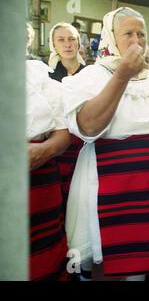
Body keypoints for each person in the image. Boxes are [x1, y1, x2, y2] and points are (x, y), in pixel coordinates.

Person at [62, 7, 149, 281]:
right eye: (128, 33)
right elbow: (89, 127)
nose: (137, 41)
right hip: (111, 181)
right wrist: (122, 75)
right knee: (113, 250)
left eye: (141, 34)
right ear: (110, 37)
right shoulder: (91, 77)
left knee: (144, 252)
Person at [25, 23, 72, 281]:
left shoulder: (39, 77)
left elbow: (62, 134)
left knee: (41, 256)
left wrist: (43, 150)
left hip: (39, 177)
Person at [47, 23, 86, 205]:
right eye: (61, 40)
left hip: (85, 140)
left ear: (78, 43)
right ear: (54, 45)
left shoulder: (90, 73)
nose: (67, 44)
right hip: (59, 141)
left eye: (71, 39)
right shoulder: (47, 76)